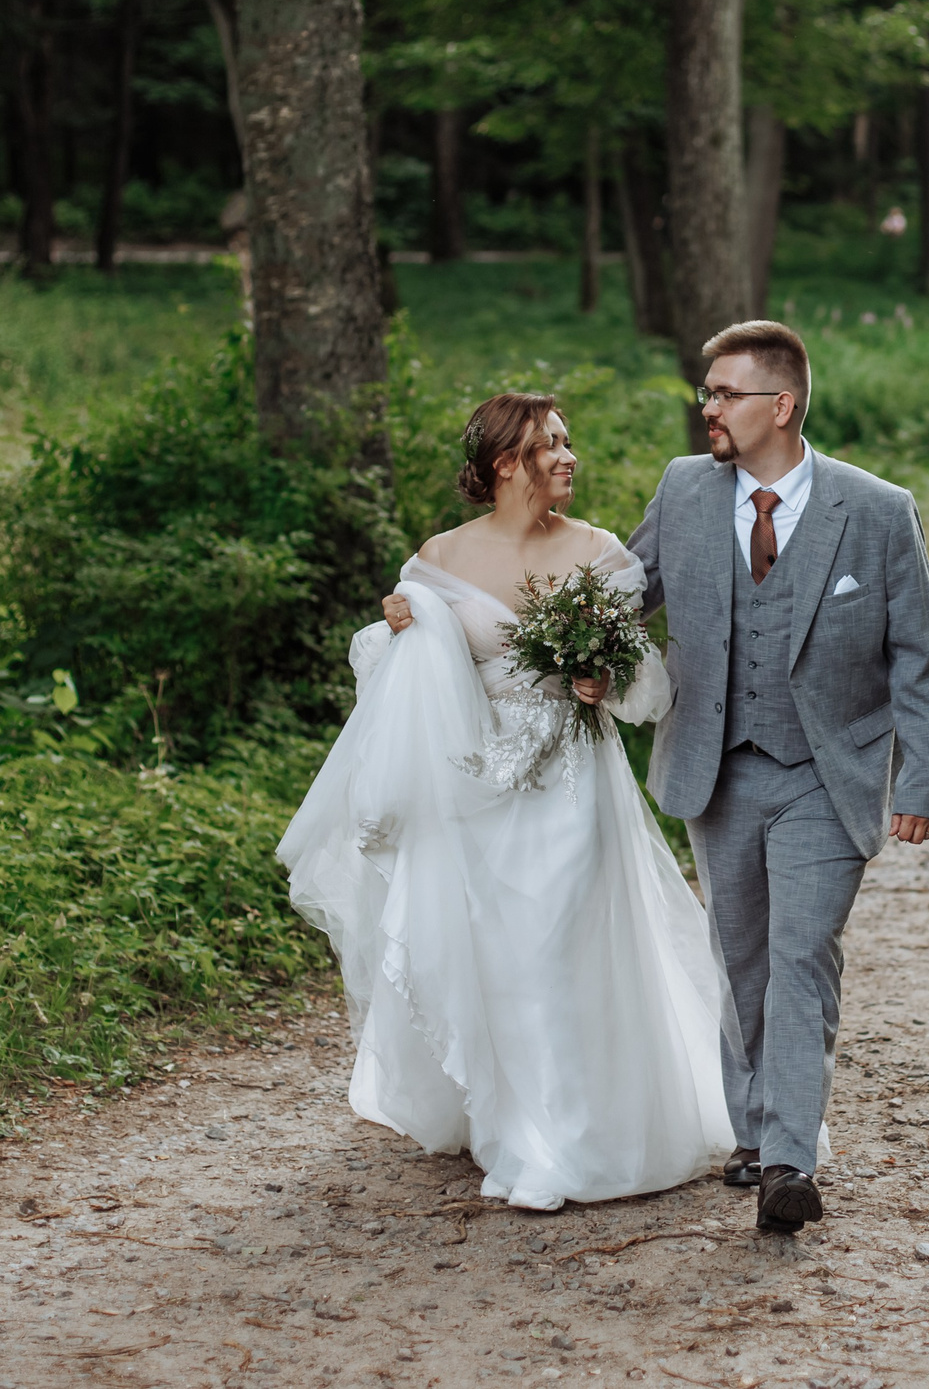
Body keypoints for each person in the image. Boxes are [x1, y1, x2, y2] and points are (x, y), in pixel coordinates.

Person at [278, 393, 733, 1212]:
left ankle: (559, 1143)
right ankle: (509, 1115)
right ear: (504, 464)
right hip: (472, 785)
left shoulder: (600, 555)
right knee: (498, 953)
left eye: (567, 441)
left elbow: (650, 687)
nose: (568, 456)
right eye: (550, 444)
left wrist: (609, 679)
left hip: (572, 782)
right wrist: (399, 627)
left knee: (559, 946)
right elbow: (398, 676)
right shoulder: (439, 557)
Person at [628, 319, 929, 1234]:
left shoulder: (878, 509)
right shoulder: (686, 490)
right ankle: (751, 1132)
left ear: (782, 403)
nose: (708, 408)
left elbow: (919, 658)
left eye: (724, 393)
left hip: (828, 771)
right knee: (741, 961)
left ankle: (788, 1160)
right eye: (707, 392)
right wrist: (491, 596)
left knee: (801, 956)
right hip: (715, 768)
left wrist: (922, 780)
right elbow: (623, 592)